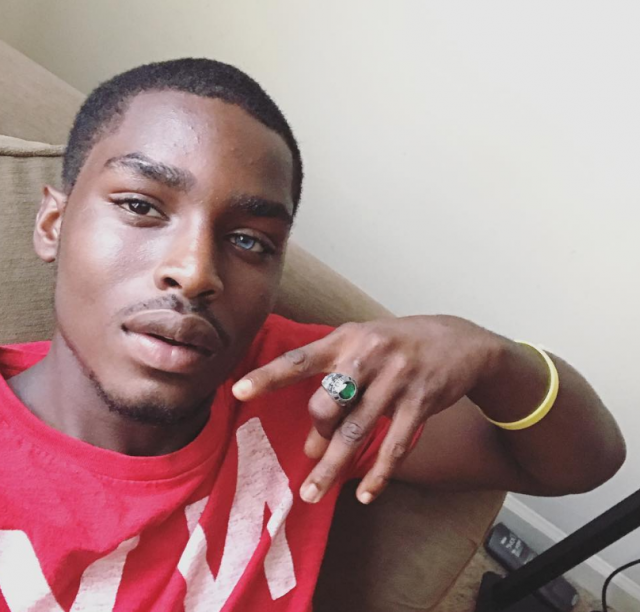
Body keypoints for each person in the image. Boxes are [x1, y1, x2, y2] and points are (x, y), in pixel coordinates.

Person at [0, 58, 625, 611]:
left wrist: (495, 359)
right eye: (140, 206)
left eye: (250, 241)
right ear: (53, 223)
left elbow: (581, 463)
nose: (194, 271)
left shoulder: (306, 389)